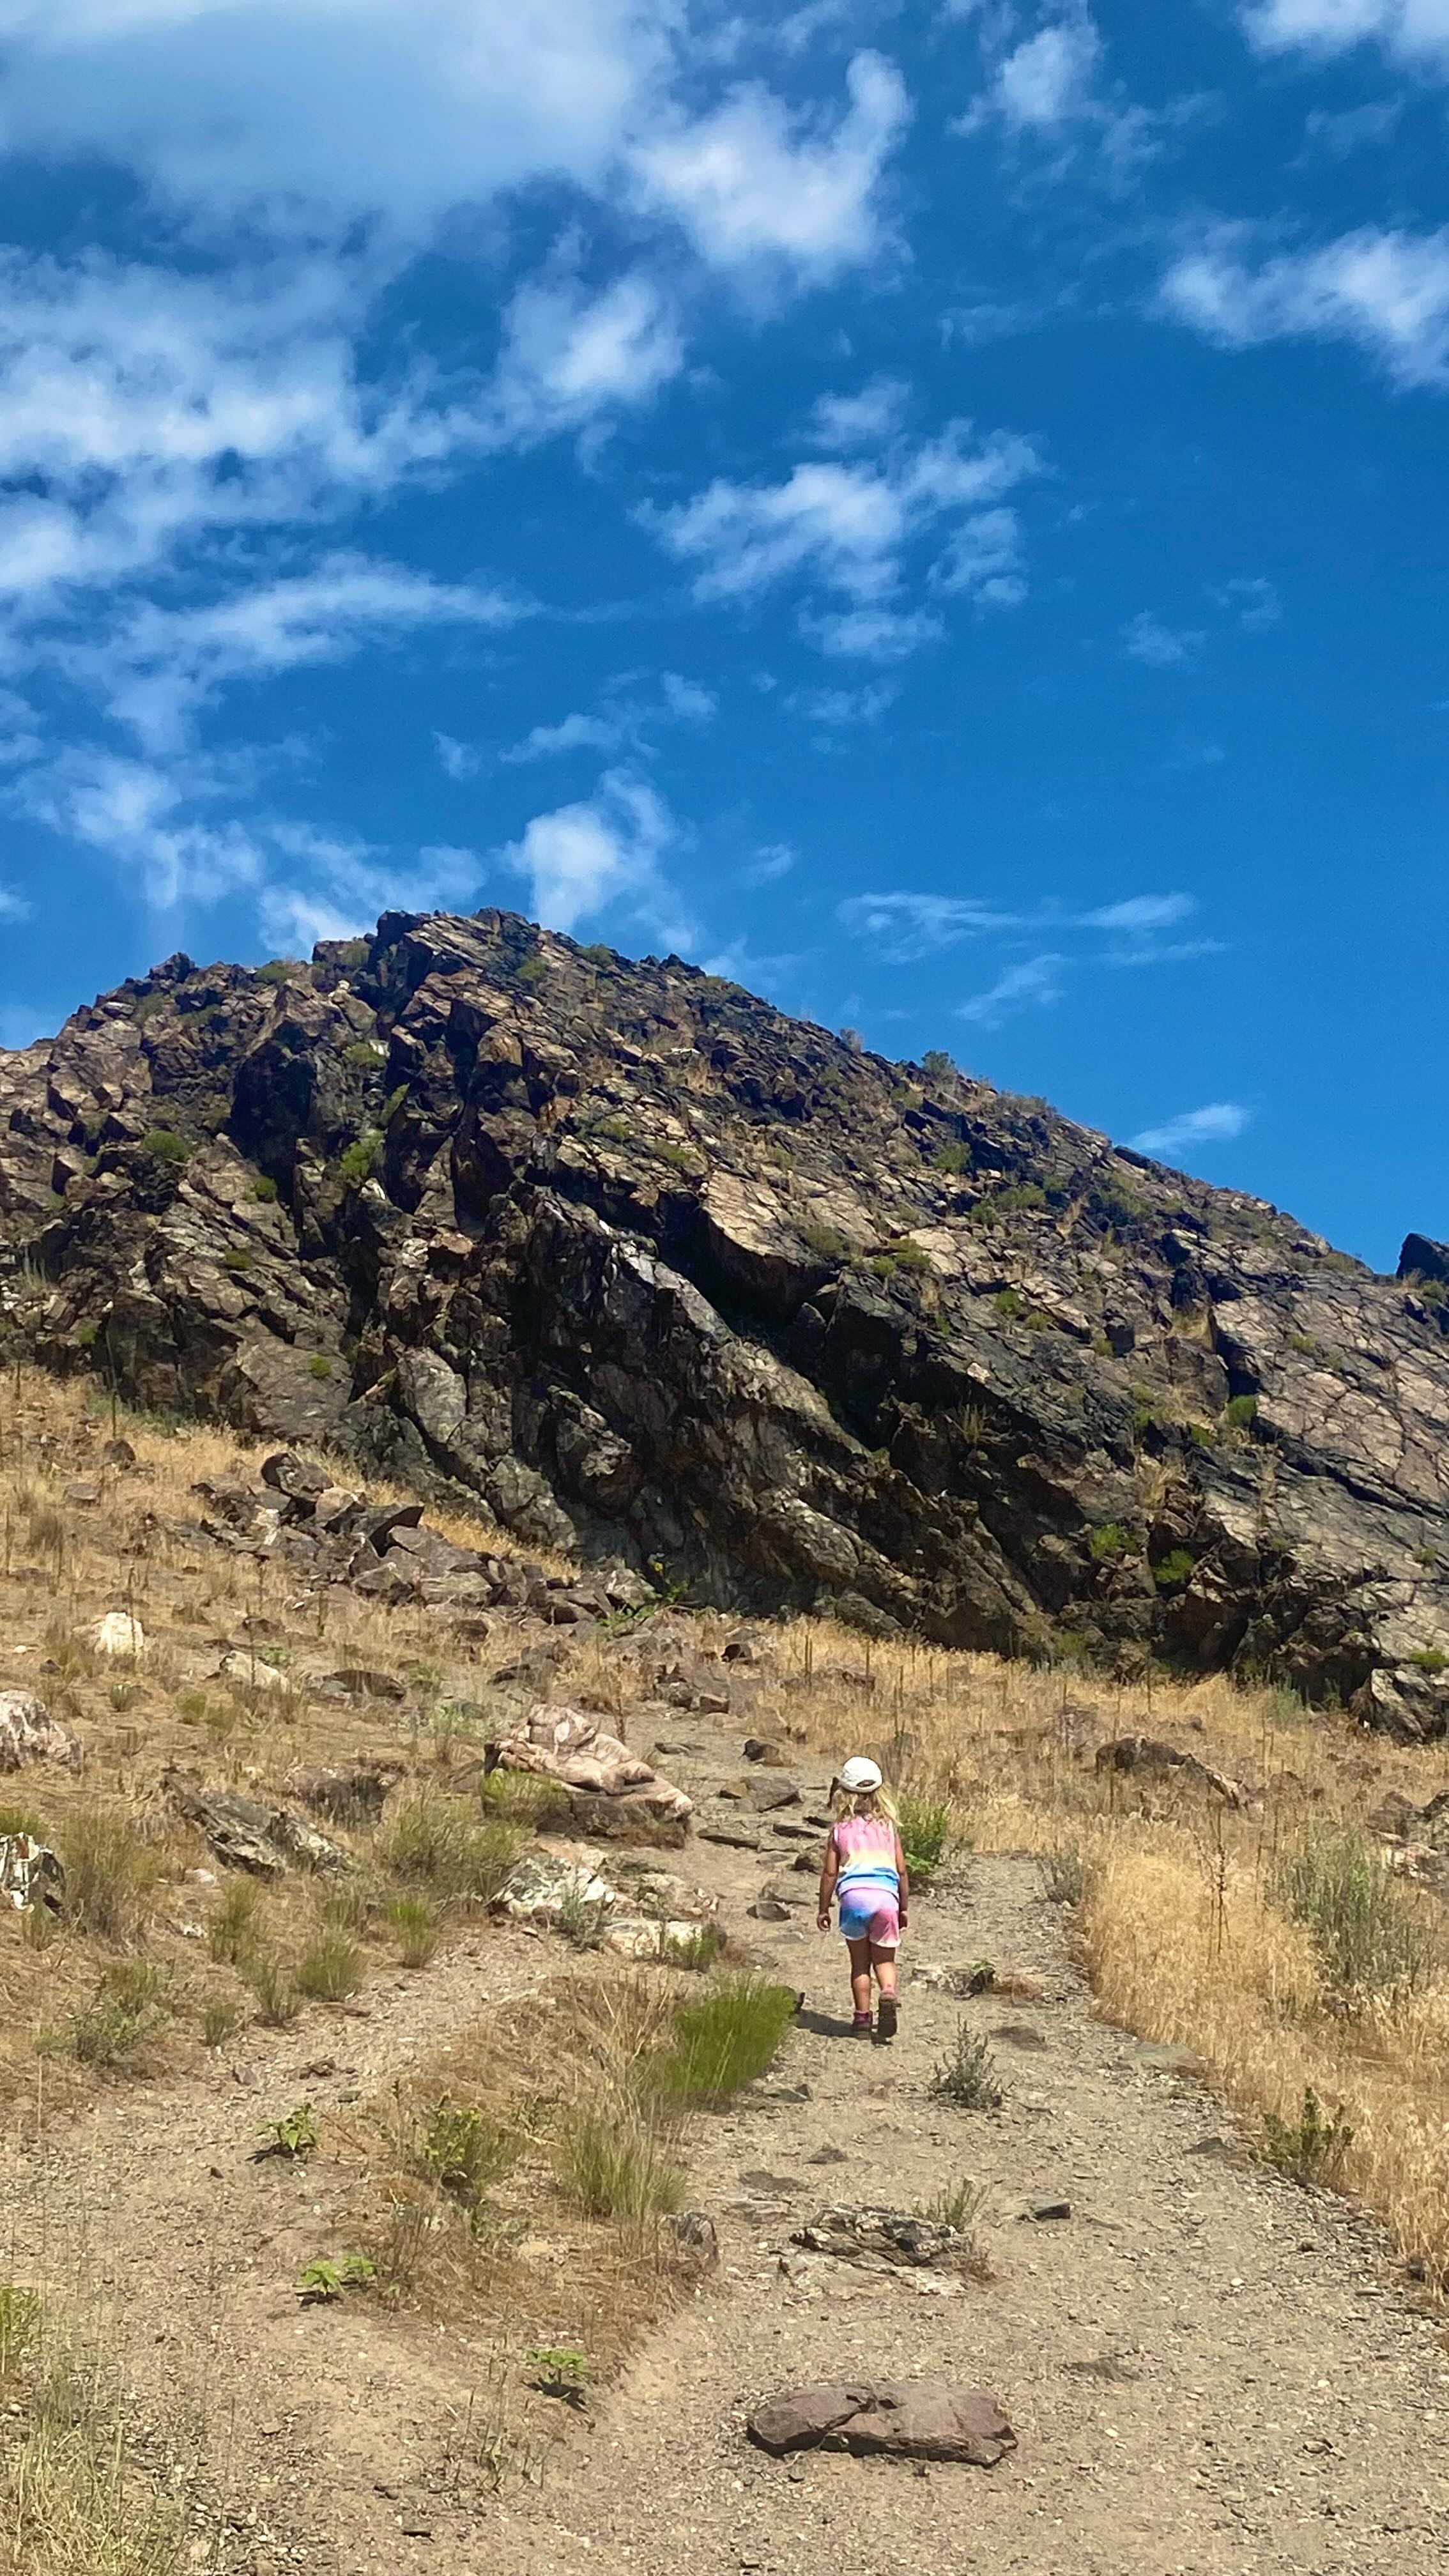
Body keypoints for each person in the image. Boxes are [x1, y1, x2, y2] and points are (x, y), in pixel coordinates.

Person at [816, 1755, 908, 2041]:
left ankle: (861, 2022)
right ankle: (889, 1993)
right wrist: (903, 1907)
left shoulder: (839, 1830)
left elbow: (830, 1874)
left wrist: (823, 1908)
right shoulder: (888, 1827)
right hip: (885, 1899)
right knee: (885, 1961)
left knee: (859, 1963)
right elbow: (902, 1871)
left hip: (854, 1900)